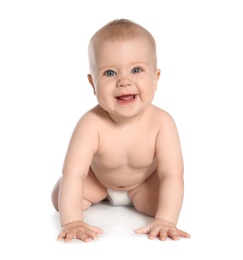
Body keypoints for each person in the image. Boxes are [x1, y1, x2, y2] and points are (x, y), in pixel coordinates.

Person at [51, 18, 190, 243]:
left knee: (166, 199)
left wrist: (166, 220)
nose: (124, 81)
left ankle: (156, 212)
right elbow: (73, 173)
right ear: (92, 84)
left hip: (142, 186)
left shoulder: (162, 123)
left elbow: (171, 174)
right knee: (60, 198)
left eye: (136, 70)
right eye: (109, 73)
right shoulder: (90, 123)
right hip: (99, 184)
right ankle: (82, 204)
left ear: (155, 79)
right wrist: (72, 221)